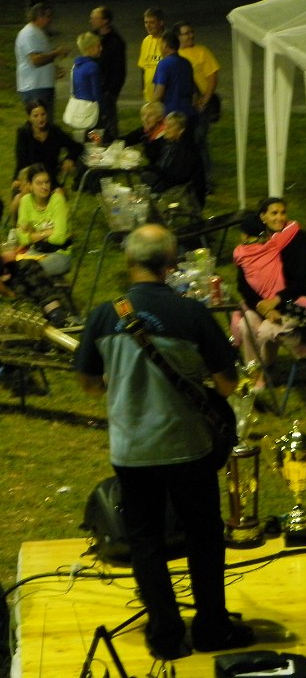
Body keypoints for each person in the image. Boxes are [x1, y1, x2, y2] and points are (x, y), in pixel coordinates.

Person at [75, 224, 254, 661]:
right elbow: (228, 384)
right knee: (204, 537)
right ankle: (211, 628)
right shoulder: (191, 314)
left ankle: (165, 635)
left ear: (128, 261)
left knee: (146, 541)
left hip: (133, 449)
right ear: (171, 263)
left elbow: (89, 384)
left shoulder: (104, 315)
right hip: (188, 447)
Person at [232, 198, 306, 390]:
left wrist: (275, 302)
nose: (280, 217)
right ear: (262, 217)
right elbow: (243, 286)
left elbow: (299, 283)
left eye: (283, 212)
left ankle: (260, 371)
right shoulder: (251, 247)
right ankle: (256, 371)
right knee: (245, 325)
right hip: (261, 305)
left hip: (289, 303)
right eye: (274, 213)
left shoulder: (294, 239)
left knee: (265, 331)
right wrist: (263, 307)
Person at [174, 21, 219, 195]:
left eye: (191, 32)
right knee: (185, 143)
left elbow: (213, 78)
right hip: (183, 106)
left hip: (201, 105)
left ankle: (207, 181)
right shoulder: (175, 54)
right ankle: (189, 179)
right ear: (177, 37)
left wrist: (205, 100)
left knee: (200, 141)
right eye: (186, 33)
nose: (191, 36)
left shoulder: (202, 51)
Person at [12, 100, 83, 199]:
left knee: (60, 196)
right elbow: (21, 162)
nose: (40, 119)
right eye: (35, 116)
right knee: (20, 198)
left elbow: (77, 147)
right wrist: (18, 180)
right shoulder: (24, 134)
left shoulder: (55, 132)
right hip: (29, 177)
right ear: (29, 118)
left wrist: (70, 158)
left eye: (43, 114)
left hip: (49, 178)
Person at [16, 164, 73, 277]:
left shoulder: (58, 200)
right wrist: (48, 232)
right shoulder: (26, 201)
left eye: (47, 182)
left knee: (28, 271)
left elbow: (60, 238)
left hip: (59, 254)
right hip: (35, 252)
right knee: (12, 268)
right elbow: (22, 238)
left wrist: (32, 235)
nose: (44, 187)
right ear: (30, 185)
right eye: (39, 183)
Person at [15, 3, 70, 108]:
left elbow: (42, 56)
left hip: (41, 86)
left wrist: (52, 69)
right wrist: (56, 52)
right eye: (48, 16)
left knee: (47, 118)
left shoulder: (38, 33)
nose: (50, 20)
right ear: (39, 16)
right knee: (41, 118)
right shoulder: (29, 33)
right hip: (35, 87)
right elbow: (36, 60)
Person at [142, 111, 203, 202]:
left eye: (170, 126)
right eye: (165, 125)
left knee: (147, 178)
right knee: (145, 177)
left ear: (181, 130)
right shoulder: (168, 143)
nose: (166, 129)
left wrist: (153, 171)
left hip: (181, 192)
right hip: (166, 182)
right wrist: (148, 134)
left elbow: (177, 177)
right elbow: (152, 156)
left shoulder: (187, 149)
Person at [89, 6, 126, 142]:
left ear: (105, 21)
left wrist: (112, 90)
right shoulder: (91, 37)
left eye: (95, 18)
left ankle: (112, 145)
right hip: (93, 89)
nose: (91, 20)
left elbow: (120, 70)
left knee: (109, 123)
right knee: (93, 123)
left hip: (107, 90)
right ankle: (94, 147)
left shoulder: (115, 42)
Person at [153, 31, 197, 127]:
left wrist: (152, 109)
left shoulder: (164, 64)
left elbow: (159, 91)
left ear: (165, 45)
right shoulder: (186, 63)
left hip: (171, 115)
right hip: (188, 112)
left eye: (160, 44)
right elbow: (192, 88)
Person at [69, 32, 102, 141]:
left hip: (78, 108)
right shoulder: (92, 66)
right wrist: (102, 109)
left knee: (80, 139)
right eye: (98, 46)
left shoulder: (76, 65)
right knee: (94, 139)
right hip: (91, 110)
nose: (101, 49)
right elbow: (96, 92)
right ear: (90, 48)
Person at [122, 102, 167, 166]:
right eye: (143, 115)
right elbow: (127, 139)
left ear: (160, 118)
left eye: (150, 115)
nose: (145, 118)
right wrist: (107, 139)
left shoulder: (165, 137)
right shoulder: (146, 130)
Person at [138, 7, 165, 102]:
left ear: (161, 23)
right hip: (149, 97)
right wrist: (143, 90)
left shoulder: (168, 41)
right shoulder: (146, 41)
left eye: (152, 22)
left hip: (164, 97)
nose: (148, 26)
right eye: (146, 22)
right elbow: (143, 68)